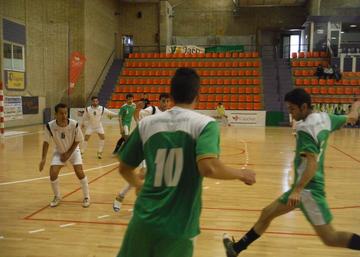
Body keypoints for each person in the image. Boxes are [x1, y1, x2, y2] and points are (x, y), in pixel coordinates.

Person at [116, 68, 256, 257]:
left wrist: (138, 184)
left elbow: (124, 168)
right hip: (178, 226)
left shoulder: (146, 124)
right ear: (198, 94)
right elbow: (208, 167)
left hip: (142, 221)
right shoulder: (204, 125)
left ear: (171, 95)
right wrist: (242, 174)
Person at [223, 88, 360, 257]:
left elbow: (311, 163)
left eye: (292, 109)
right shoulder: (325, 118)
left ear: (303, 107)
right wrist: (356, 105)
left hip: (307, 190)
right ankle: (236, 249)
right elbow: (352, 117)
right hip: (303, 188)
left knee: (330, 237)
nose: (290, 113)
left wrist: (298, 189)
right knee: (266, 213)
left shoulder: (305, 128)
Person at [113, 93, 171, 212]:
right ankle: (125, 198)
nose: (165, 104)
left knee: (147, 176)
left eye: (167, 101)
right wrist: (138, 108)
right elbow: (137, 117)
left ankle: (124, 196)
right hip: (144, 145)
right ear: (159, 101)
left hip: (157, 148)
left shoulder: (168, 115)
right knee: (143, 173)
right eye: (163, 101)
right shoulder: (152, 109)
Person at [39, 103, 90, 208]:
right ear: (55, 114)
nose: (64, 116)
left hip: (74, 150)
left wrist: (68, 154)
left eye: (66, 113)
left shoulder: (74, 124)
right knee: (53, 172)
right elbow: (46, 142)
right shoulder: (50, 126)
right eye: (61, 113)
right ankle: (57, 197)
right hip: (59, 152)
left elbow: (78, 141)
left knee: (79, 171)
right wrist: (43, 158)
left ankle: (87, 197)